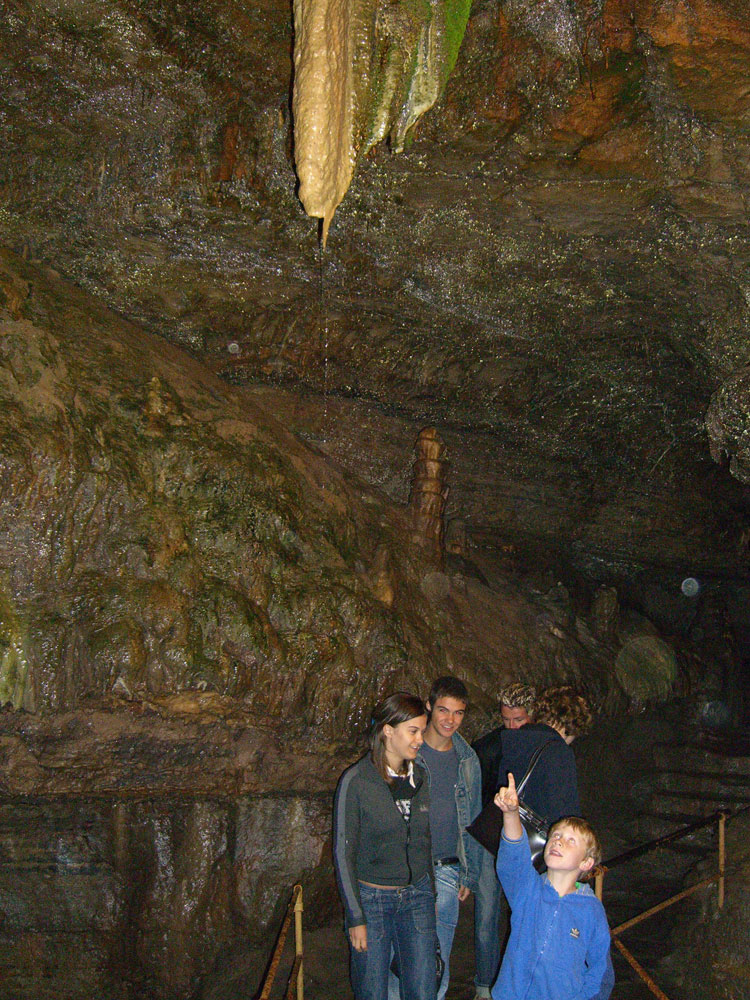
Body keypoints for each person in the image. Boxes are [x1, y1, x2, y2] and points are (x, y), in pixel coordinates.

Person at [472, 685, 592, 998]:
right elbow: (567, 816)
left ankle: (490, 985)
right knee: (542, 926)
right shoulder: (557, 751)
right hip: (542, 854)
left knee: (508, 918)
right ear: (566, 725)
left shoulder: (512, 743)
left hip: (508, 844)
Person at [333, 692, 437, 1000]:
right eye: (413, 731)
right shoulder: (356, 781)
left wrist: (429, 890)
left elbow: (423, 839)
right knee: (372, 991)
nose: (421, 739)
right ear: (388, 731)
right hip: (373, 900)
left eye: (422, 730)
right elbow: (343, 849)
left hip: (417, 896)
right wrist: (355, 917)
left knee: (422, 991)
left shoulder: (421, 776)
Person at [388, 676, 482, 1000]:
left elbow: (473, 817)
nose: (450, 720)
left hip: (447, 867)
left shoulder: (468, 759)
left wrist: (470, 872)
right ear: (429, 707)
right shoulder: (408, 750)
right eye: (443, 710)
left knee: (438, 954)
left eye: (458, 713)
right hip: (407, 865)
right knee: (397, 954)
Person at [492, 772, 614, 1000]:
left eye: (570, 841)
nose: (558, 840)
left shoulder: (591, 910)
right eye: (556, 835)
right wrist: (510, 814)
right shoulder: (528, 890)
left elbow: (600, 969)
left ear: (586, 862)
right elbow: (513, 861)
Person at [471, 682, 536, 1000]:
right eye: (507, 719)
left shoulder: (543, 748)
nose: (511, 726)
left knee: (525, 912)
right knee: (486, 913)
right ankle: (485, 984)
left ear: (532, 715)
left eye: (519, 720)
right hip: (490, 840)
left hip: (528, 843)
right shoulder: (487, 748)